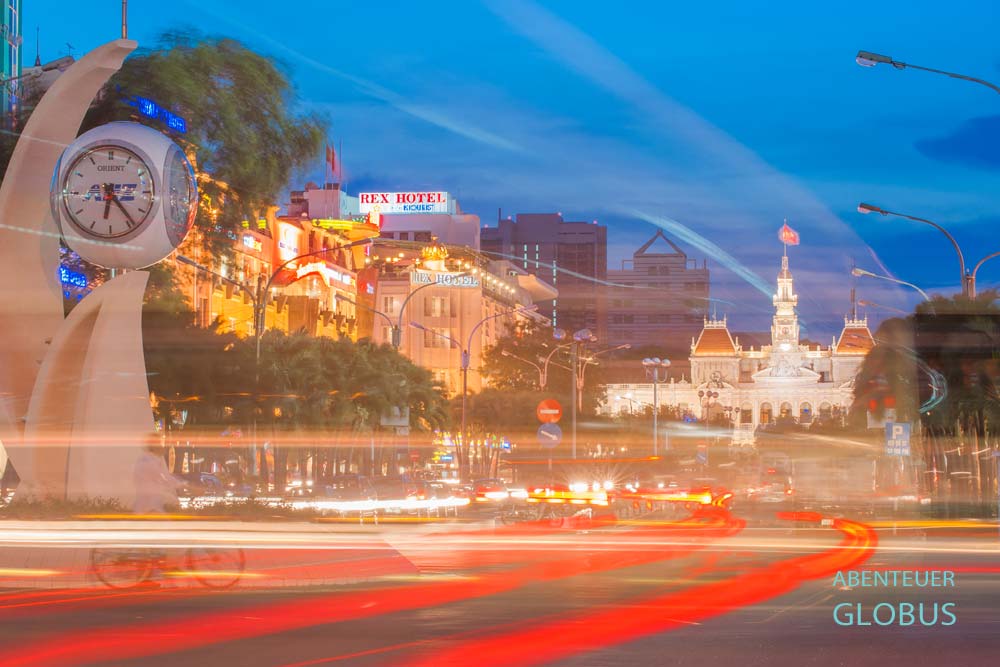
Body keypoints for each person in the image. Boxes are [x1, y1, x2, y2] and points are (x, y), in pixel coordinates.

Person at [133, 436, 182, 514]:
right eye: (159, 443)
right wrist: (188, 486)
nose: (162, 446)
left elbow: (166, 477)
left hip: (149, 504)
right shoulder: (149, 461)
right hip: (150, 505)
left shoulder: (153, 459)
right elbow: (166, 478)